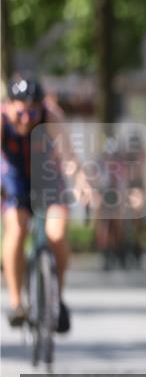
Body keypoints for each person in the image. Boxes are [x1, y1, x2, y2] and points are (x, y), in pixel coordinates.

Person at [1, 76, 90, 331]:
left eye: (33, 111)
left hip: (49, 179)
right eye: (21, 112)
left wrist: (81, 181)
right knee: (16, 231)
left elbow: (69, 155)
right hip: (14, 179)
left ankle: (55, 297)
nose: (27, 118)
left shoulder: (51, 116)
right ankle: (17, 304)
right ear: (8, 106)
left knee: (57, 235)